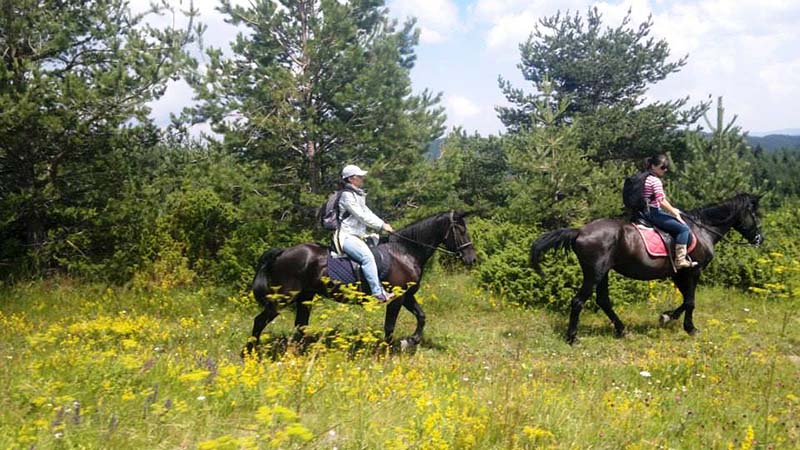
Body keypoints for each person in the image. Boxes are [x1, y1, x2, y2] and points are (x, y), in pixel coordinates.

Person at [334, 164, 396, 302]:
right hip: (346, 236)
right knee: (367, 257)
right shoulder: (346, 195)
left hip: (359, 235)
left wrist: (383, 224)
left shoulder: (357, 194)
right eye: (360, 176)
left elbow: (368, 212)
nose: (362, 179)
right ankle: (377, 293)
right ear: (351, 179)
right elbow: (361, 216)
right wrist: (381, 225)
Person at [643, 154, 697, 269]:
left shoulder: (643, 178)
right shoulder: (655, 181)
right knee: (683, 229)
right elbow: (661, 200)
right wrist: (674, 212)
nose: (665, 170)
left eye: (666, 167)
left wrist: (672, 208)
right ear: (653, 166)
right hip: (652, 213)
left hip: (641, 212)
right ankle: (680, 260)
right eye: (662, 167)